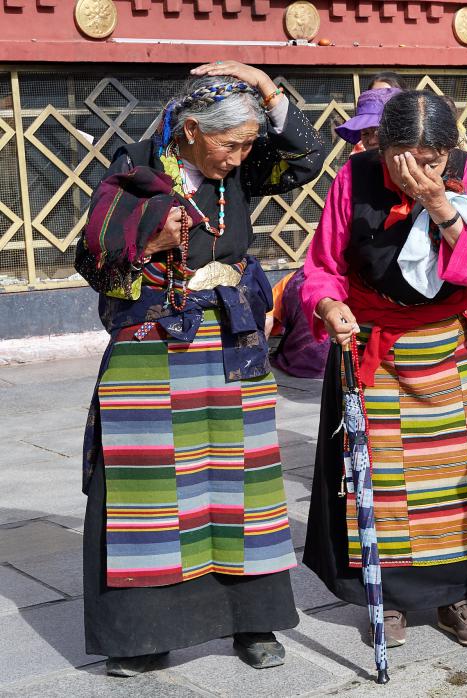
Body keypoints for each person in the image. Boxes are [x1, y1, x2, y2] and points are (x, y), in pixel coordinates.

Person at [74, 61, 326, 677]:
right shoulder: (131, 175)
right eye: (230, 143)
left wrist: (266, 89)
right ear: (189, 130)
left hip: (230, 344)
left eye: (247, 143)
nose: (242, 157)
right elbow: (95, 260)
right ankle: (142, 634)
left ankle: (251, 622)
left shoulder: (235, 174)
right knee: (152, 491)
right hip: (152, 345)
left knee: (239, 484)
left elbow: (303, 161)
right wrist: (149, 246)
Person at [300, 90, 467, 650]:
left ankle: (457, 595)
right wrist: (328, 305)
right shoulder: (354, 179)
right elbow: (323, 266)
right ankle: (389, 596)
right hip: (378, 350)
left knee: (457, 478)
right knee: (387, 484)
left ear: (450, 151)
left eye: (433, 158)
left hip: (452, 350)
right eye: (406, 157)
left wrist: (442, 203)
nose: (420, 169)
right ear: (382, 146)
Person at [268, 268, 331, 378]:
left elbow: (267, 320)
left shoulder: (293, 278)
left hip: (295, 361)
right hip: (340, 363)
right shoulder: (349, 278)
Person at [336, 87, 401, 154]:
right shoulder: (356, 162)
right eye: (365, 134)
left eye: (378, 133)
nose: (371, 141)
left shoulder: (409, 160)